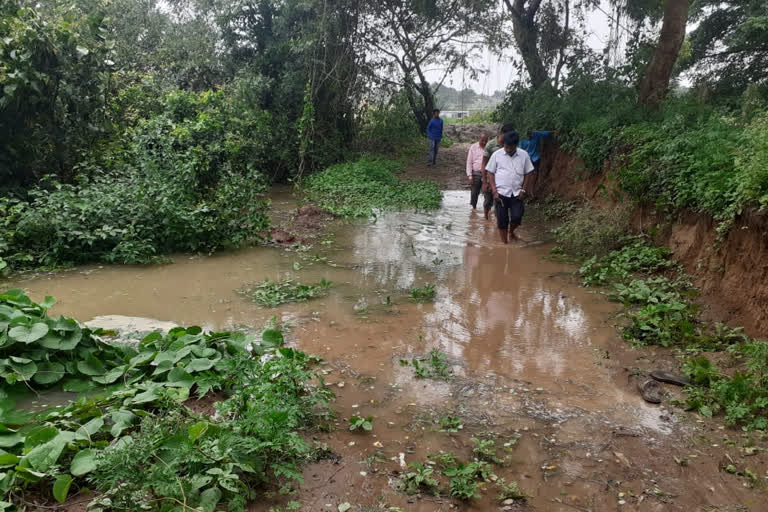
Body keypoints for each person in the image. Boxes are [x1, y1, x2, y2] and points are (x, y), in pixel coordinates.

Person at [486, 131, 535, 244]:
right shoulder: (496, 155)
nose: (507, 149)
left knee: (517, 217)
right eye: (505, 147)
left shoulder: (524, 155)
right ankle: (505, 244)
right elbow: (490, 173)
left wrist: (524, 189)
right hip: (501, 193)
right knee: (502, 221)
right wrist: (494, 191)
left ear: (516, 145)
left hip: (517, 193)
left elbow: (529, 173)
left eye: (510, 147)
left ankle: (511, 231)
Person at [480, 123, 515, 220]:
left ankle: (497, 225)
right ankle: (486, 221)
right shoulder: (490, 145)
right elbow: (484, 164)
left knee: (499, 205)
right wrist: (484, 182)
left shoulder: (509, 146)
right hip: (489, 178)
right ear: (502, 134)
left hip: (501, 181)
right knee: (487, 202)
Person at [519, 130, 552, 195]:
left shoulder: (536, 134)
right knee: (529, 174)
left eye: (530, 135)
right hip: (527, 159)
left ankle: (531, 190)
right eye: (528, 136)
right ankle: (525, 190)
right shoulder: (522, 140)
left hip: (535, 158)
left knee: (535, 173)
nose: (529, 136)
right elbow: (520, 151)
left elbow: (545, 133)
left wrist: (554, 132)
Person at [466, 133, 489, 210]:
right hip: (476, 173)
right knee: (474, 193)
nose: (484, 143)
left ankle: (487, 210)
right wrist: (470, 176)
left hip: (487, 173)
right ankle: (473, 208)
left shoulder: (489, 148)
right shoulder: (473, 147)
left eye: (486, 141)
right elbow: (469, 162)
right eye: (482, 141)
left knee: (488, 193)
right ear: (479, 139)